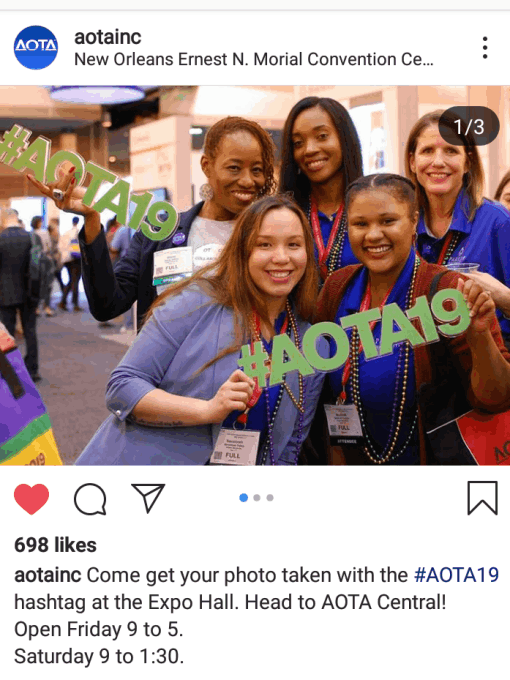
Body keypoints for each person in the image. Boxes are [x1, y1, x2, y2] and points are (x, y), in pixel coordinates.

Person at [76, 195, 326, 465]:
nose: (281, 257)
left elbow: (289, 446)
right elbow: (122, 387)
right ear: (242, 251)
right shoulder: (195, 301)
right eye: (264, 244)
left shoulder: (310, 343)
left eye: (294, 245)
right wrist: (207, 410)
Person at [314, 174, 510, 465]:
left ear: (413, 223)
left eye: (388, 221)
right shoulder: (337, 288)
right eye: (360, 224)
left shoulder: (445, 291)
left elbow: (495, 399)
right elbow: (320, 383)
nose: (373, 235)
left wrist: (479, 336)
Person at [28, 116, 277, 330]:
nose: (248, 181)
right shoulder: (161, 233)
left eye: (257, 170)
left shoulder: (271, 238)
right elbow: (107, 305)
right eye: (234, 168)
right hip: (168, 382)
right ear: (207, 166)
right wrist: (92, 220)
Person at [405, 109, 510, 346]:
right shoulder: (402, 223)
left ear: (467, 162)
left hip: (488, 361)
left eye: (451, 150)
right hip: (421, 362)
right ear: (413, 162)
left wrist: (502, 298)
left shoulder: (498, 221)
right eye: (427, 151)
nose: (438, 161)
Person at [279, 97, 363, 280]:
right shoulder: (284, 213)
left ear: (345, 138)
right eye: (298, 143)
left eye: (322, 136)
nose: (309, 149)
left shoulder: (371, 206)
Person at [0, 208, 41, 382]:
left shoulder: (0, 239)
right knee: (30, 331)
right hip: (29, 291)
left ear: (4, 220)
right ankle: (33, 370)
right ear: (17, 218)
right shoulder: (32, 237)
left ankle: (9, 371)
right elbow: (38, 267)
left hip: (4, 293)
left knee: (7, 332)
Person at [31, 216, 55, 317]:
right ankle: (47, 307)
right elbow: (49, 246)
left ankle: (36, 308)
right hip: (45, 260)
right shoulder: (44, 233)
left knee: (36, 285)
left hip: (34, 262)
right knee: (47, 285)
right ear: (39, 223)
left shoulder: (30, 234)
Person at [58, 216, 83, 312]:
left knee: (71, 280)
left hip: (66, 260)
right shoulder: (78, 232)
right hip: (76, 259)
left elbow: (60, 247)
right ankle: (75, 304)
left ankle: (63, 302)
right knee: (75, 281)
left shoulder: (65, 233)